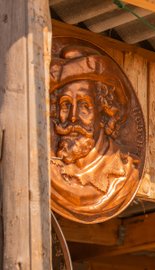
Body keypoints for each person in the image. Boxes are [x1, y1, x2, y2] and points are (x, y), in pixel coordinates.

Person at [49, 42, 142, 222]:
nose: (73, 118)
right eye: (65, 105)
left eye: (85, 106)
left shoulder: (124, 173)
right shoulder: (51, 171)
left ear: (104, 112)